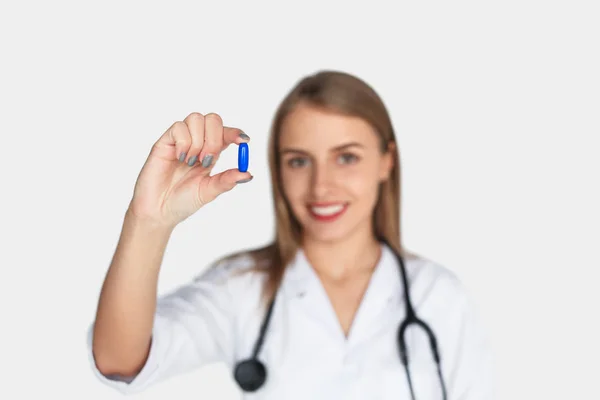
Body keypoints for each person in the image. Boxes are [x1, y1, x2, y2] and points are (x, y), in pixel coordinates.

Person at [87, 70, 494, 399]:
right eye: (299, 161)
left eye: (346, 157)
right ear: (278, 169)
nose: (321, 186)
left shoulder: (439, 298)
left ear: (387, 161)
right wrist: (148, 221)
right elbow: (119, 361)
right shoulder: (242, 287)